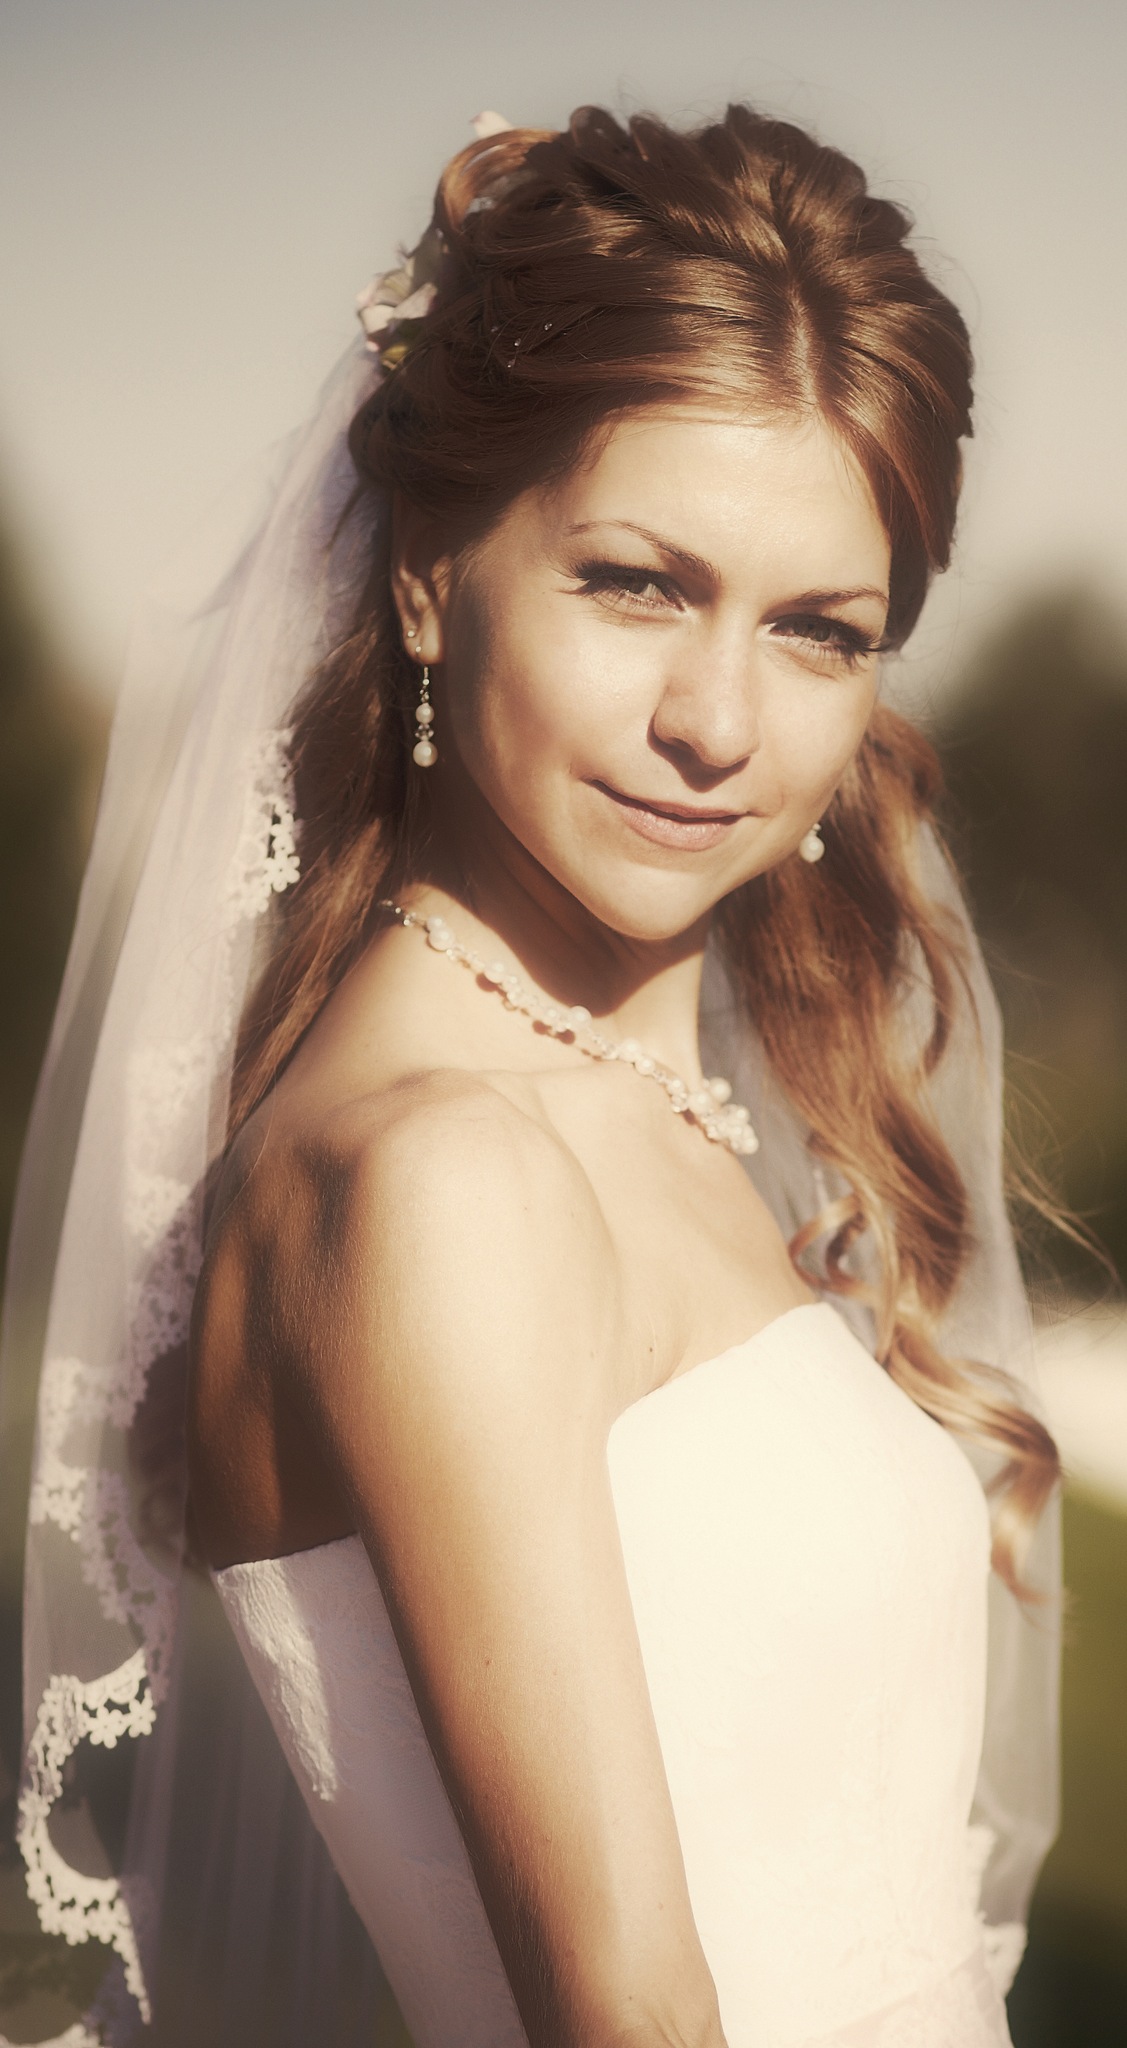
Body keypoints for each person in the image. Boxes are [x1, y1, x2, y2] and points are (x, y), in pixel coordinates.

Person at [1, 105, 1061, 2048]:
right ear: (429, 576)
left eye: (818, 632)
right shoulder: (438, 1177)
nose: (717, 722)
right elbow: (624, 2012)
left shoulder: (652, 1103)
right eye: (637, 583)